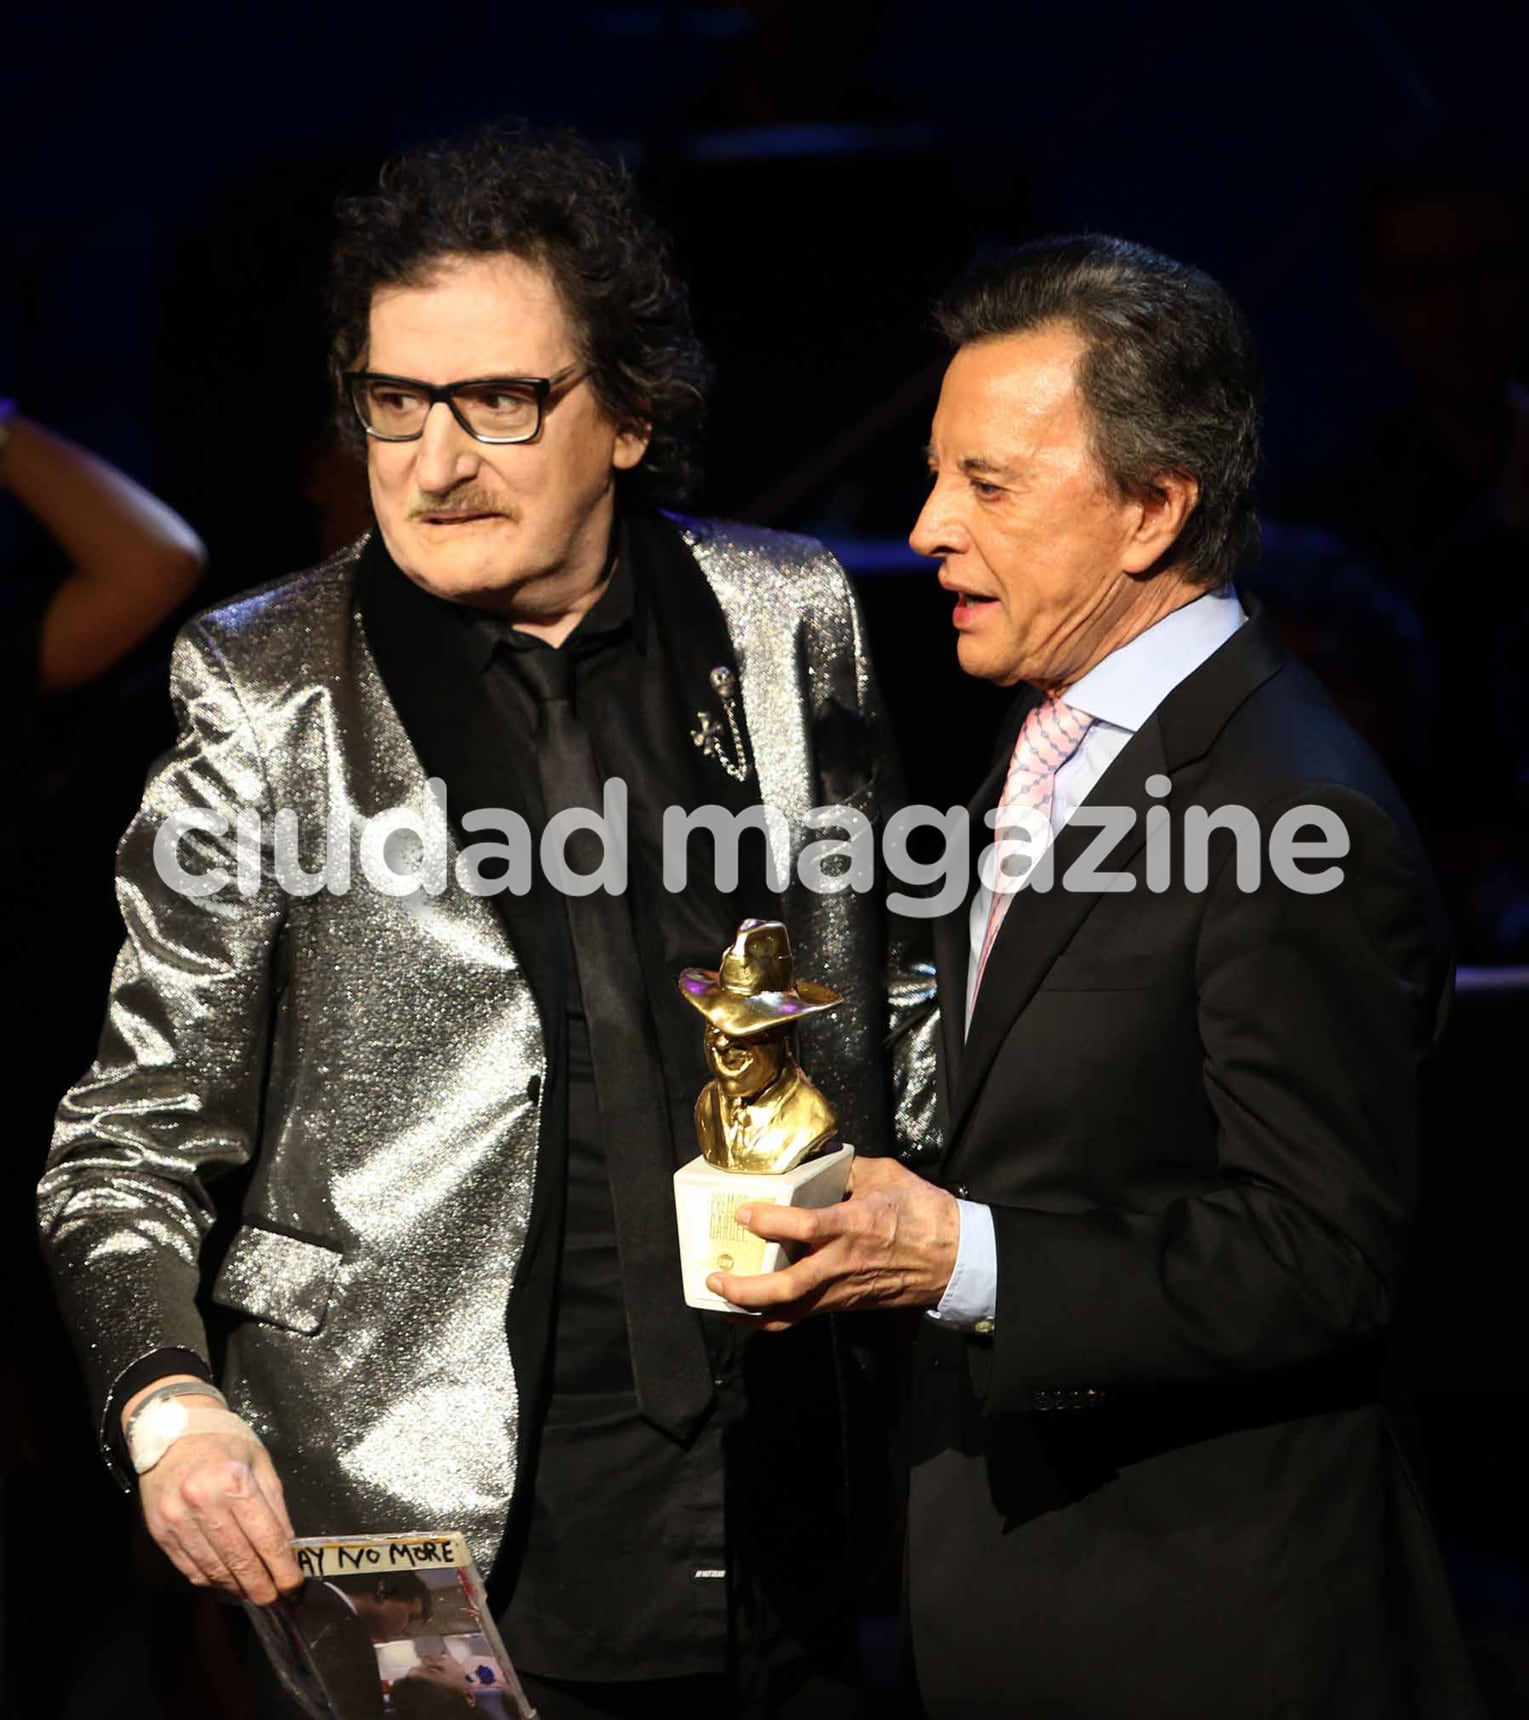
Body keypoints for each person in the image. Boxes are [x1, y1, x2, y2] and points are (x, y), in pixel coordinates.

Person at [36, 125, 936, 1720]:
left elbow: (889, 998)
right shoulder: (264, 686)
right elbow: (127, 1136)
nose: (435, 461)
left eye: (498, 403)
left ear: (631, 415)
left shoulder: (789, 618)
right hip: (424, 1523)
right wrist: (165, 1400)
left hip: (783, 1500)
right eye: (394, 405)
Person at [712, 237, 1485, 1717]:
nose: (927, 527)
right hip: (1022, 1598)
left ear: (1151, 509)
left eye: (985, 486)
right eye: (938, 476)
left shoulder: (1285, 810)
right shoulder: (1063, 731)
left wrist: (963, 1261)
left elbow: (1321, 1257)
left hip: (1211, 1629)